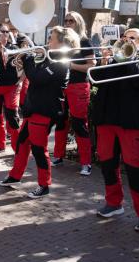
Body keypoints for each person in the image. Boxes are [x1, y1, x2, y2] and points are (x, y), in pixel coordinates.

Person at [0, 26, 77, 199]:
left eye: (52, 38)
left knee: (38, 149)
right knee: (21, 142)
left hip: (44, 110)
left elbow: (36, 77)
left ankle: (44, 185)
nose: (49, 41)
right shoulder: (50, 57)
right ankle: (15, 176)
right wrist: (27, 56)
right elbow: (33, 72)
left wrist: (27, 58)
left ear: (62, 42)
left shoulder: (61, 62)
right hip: (33, 108)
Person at [92, 28, 139, 233]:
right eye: (124, 37)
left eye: (132, 38)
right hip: (108, 120)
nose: (125, 40)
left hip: (133, 122)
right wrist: (104, 61)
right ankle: (114, 204)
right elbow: (97, 81)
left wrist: (131, 57)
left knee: (135, 170)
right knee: (108, 164)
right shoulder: (114, 61)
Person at [52, 11, 96, 176]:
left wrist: (71, 66)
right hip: (62, 85)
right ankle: (57, 156)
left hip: (78, 85)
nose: (68, 23)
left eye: (72, 21)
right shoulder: (63, 42)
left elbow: (92, 65)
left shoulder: (85, 41)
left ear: (79, 23)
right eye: (66, 20)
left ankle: (86, 163)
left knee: (79, 124)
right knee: (61, 121)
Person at [0, 23, 21, 155]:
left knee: (12, 118)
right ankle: (0, 145)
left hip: (11, 87)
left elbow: (21, 68)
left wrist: (20, 81)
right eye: (3, 31)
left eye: (7, 32)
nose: (6, 34)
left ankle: (17, 147)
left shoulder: (14, 48)